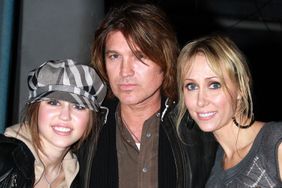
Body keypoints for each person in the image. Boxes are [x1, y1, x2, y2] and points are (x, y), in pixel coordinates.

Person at [77, 3, 217, 188]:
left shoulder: (198, 130)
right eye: (114, 56)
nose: (125, 71)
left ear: (165, 59)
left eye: (140, 56)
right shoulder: (84, 128)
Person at [176, 34, 282, 187]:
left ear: (240, 88)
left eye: (214, 85)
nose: (201, 100)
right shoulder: (213, 172)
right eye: (192, 86)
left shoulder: (274, 144)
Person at [0, 59, 107, 187]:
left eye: (79, 107)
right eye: (53, 103)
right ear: (35, 108)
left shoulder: (79, 177)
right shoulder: (3, 160)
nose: (65, 116)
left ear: (91, 118)